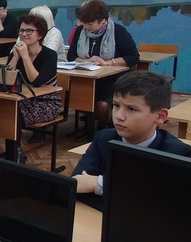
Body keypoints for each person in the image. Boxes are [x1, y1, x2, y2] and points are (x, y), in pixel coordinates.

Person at [72, 71, 191, 210]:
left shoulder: (179, 154)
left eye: (131, 109)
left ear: (160, 116)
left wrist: (100, 183)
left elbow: (167, 206)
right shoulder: (103, 138)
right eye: (116, 105)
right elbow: (78, 184)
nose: (119, 116)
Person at [67, 0, 139, 126]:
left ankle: (104, 127)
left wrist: (110, 62)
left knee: (101, 106)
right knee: (78, 100)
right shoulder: (80, 31)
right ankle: (91, 123)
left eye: (90, 23)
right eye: (84, 23)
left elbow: (133, 57)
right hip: (87, 78)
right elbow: (71, 56)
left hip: (112, 80)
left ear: (102, 20)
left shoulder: (118, 31)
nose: (86, 27)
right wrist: (87, 60)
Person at [8, 15, 62, 134]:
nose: (24, 34)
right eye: (21, 30)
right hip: (23, 98)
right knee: (3, 109)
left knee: (14, 114)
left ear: (40, 35)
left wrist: (25, 57)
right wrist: (15, 57)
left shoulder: (50, 55)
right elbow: (7, 79)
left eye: (29, 31)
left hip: (46, 101)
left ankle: (15, 146)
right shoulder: (17, 53)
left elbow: (37, 82)